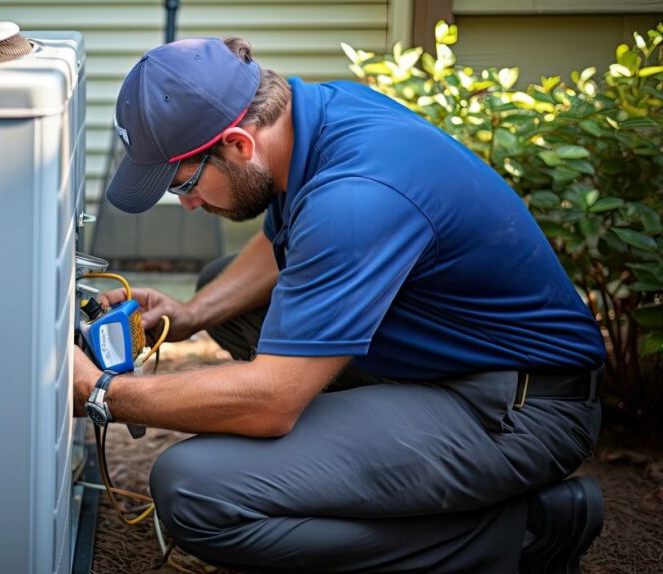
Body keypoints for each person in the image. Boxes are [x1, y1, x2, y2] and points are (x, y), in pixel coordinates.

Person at [73, 37, 606, 573]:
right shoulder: (318, 113)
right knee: (222, 290)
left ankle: (525, 532)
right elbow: (287, 240)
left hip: (520, 409)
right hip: (454, 362)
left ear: (238, 143)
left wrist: (103, 392)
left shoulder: (355, 197)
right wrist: (191, 315)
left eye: (184, 181)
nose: (187, 203)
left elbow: (270, 403)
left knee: (192, 488)